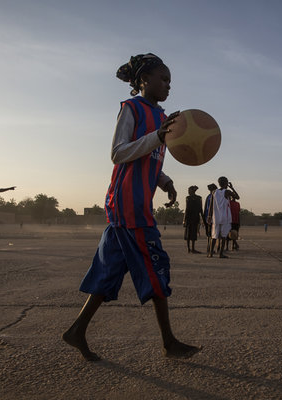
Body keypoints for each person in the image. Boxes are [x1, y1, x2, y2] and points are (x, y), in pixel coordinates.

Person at [63, 53, 199, 362]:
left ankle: (76, 331)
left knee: (109, 273)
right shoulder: (131, 109)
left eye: (170, 82)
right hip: (128, 205)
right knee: (155, 268)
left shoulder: (164, 118)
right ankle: (169, 343)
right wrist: (157, 136)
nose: (167, 86)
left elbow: (150, 158)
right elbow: (119, 153)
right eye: (163, 79)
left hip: (134, 205)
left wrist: (164, 181)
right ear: (143, 81)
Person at [207, 177, 239, 258]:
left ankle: (211, 253)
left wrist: (209, 216)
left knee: (214, 236)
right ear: (226, 183)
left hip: (216, 217)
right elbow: (237, 197)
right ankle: (221, 253)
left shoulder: (214, 191)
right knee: (223, 236)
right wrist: (232, 188)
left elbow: (211, 205)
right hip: (225, 217)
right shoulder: (227, 192)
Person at [183, 185, 204, 253]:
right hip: (194, 218)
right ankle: (191, 248)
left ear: (193, 191)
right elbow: (201, 210)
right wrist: (202, 218)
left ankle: (190, 248)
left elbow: (187, 209)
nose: (188, 192)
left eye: (189, 190)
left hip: (190, 218)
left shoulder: (188, 198)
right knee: (192, 233)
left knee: (190, 233)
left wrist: (184, 219)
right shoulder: (199, 198)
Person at [203, 183, 217, 255]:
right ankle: (210, 249)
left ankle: (208, 248)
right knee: (212, 235)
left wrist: (204, 218)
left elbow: (205, 208)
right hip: (212, 218)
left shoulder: (208, 196)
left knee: (209, 235)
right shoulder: (214, 196)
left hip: (207, 218)